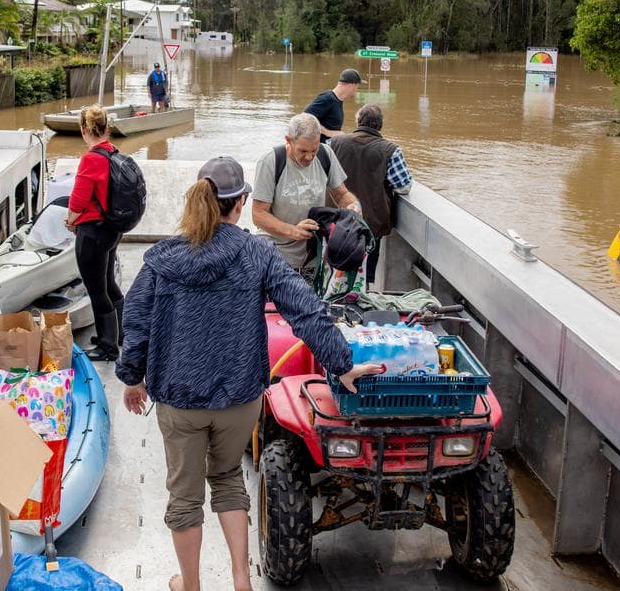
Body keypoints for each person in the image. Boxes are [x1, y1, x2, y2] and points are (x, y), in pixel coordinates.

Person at [116, 156, 382, 591]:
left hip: (179, 399)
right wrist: (343, 364)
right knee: (226, 479)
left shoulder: (162, 260)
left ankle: (191, 584)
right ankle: (242, 580)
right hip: (240, 399)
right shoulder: (258, 252)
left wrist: (131, 376)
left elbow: (137, 321)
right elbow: (304, 310)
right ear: (240, 203)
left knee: (184, 498)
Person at [252, 113, 361, 278]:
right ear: (288, 140)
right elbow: (258, 214)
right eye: (302, 151)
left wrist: (354, 205)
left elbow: (341, 194)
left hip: (313, 258)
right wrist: (294, 231)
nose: (309, 157)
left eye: (314, 150)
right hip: (276, 255)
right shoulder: (271, 162)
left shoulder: (326, 154)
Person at [329, 104, 413, 286]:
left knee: (331, 269)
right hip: (370, 225)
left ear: (358, 121)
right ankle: (357, 302)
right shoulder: (390, 150)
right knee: (363, 274)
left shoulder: (334, 143)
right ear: (380, 126)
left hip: (337, 220)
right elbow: (403, 186)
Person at [65, 105, 124, 361]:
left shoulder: (91, 158)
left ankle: (107, 347)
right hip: (112, 229)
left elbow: (78, 202)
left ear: (84, 130)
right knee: (109, 283)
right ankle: (122, 334)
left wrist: (70, 220)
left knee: (96, 289)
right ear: (106, 129)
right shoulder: (113, 153)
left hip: (92, 233)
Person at [303, 67, 364, 142]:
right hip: (320, 149)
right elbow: (304, 118)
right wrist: (328, 132)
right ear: (351, 86)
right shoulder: (327, 98)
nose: (356, 91)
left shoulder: (338, 100)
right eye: (357, 87)